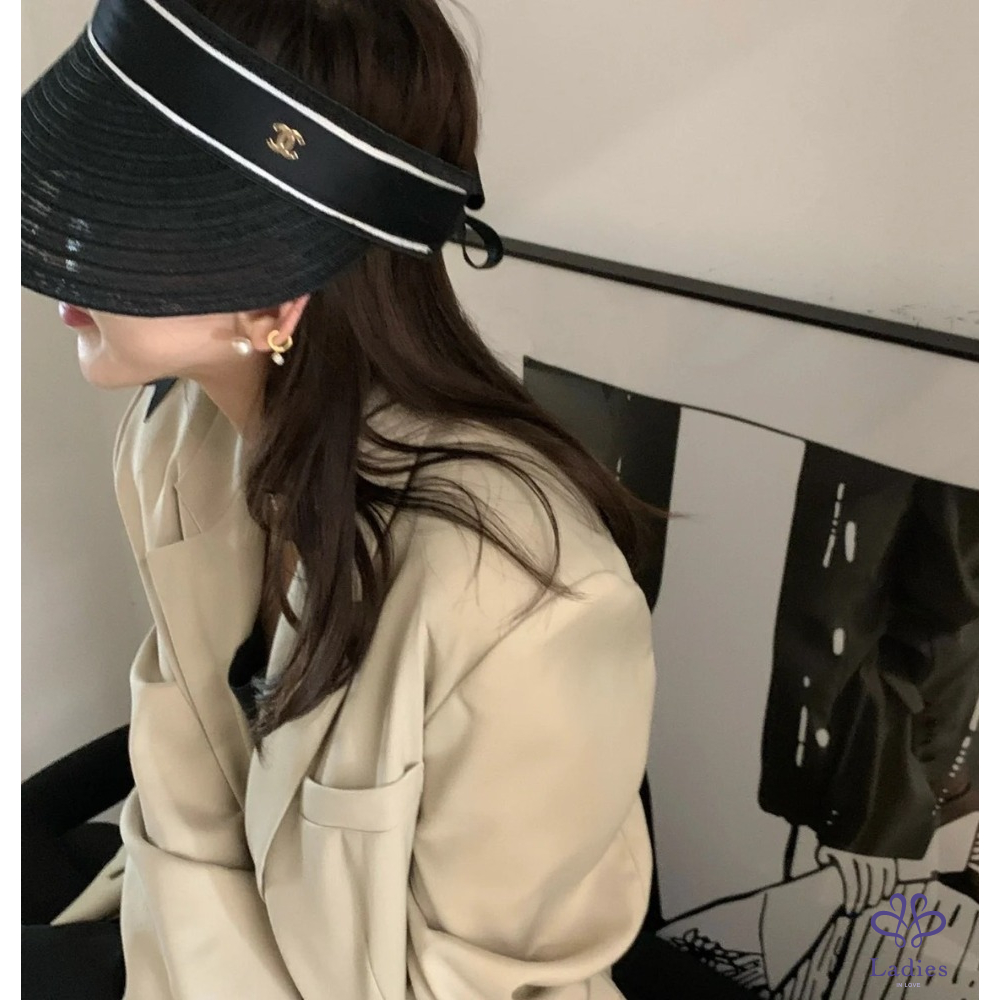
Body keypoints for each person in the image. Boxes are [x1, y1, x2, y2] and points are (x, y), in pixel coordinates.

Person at [21, 0, 671, 997]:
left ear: (276, 292)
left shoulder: (527, 600)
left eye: (128, 214)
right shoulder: (174, 444)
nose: (69, 247)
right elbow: (183, 809)